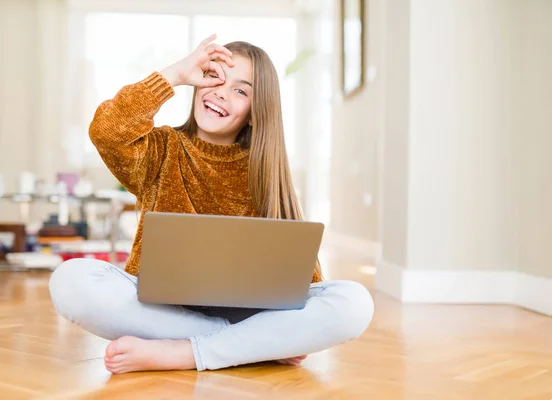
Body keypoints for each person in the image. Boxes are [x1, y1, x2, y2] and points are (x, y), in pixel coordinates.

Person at [49, 35, 374, 374]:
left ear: (254, 111)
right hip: (161, 310)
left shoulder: (265, 166)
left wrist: (297, 318)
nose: (221, 91)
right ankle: (246, 346)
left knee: (354, 303)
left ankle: (184, 354)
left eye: (241, 90)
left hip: (249, 311)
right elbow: (106, 131)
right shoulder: (161, 148)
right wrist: (173, 75)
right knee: (70, 280)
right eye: (215, 76)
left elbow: (300, 275)